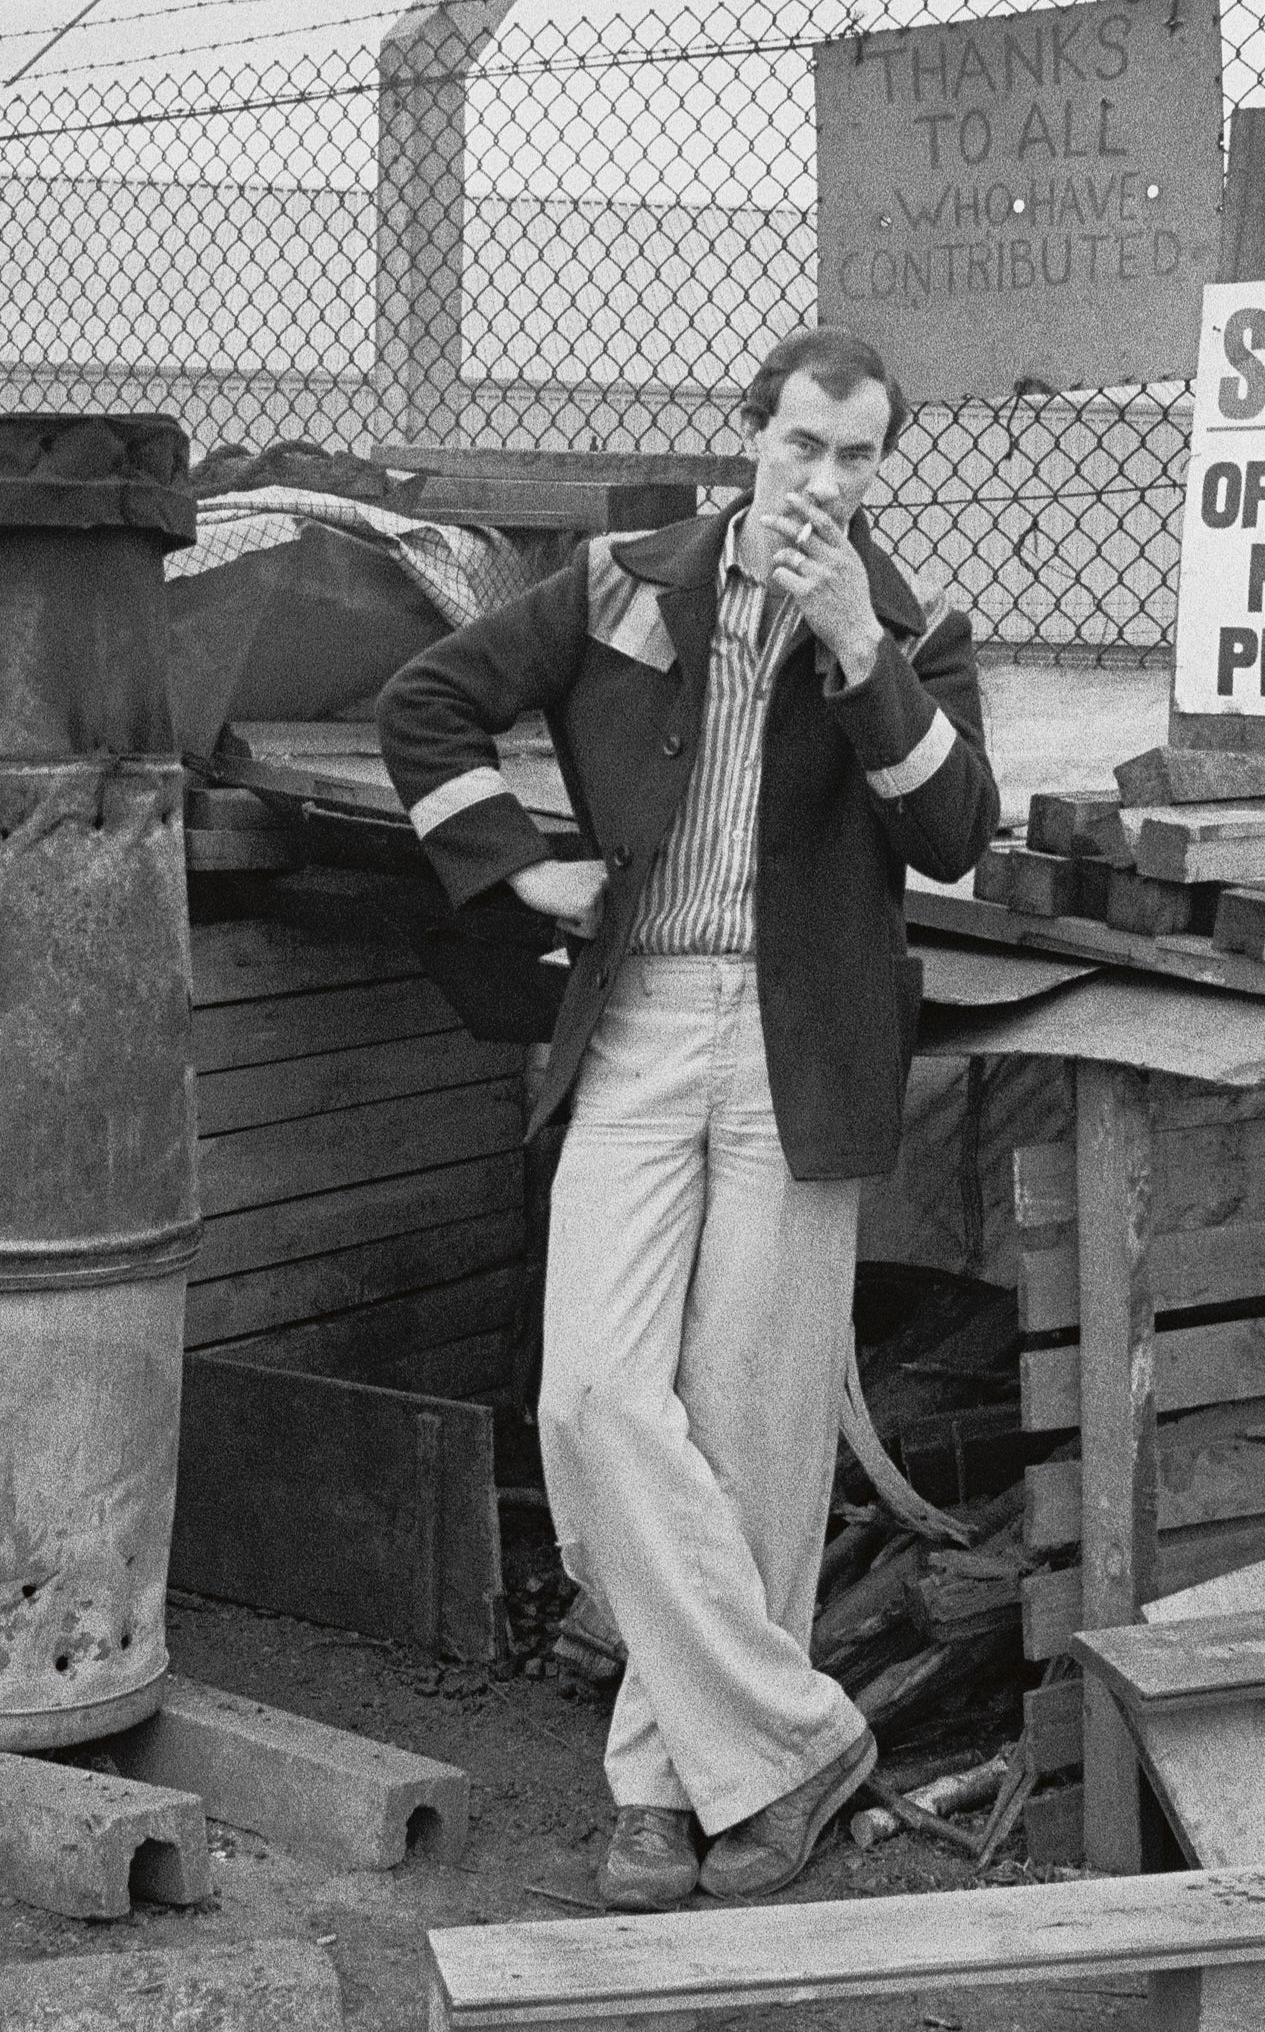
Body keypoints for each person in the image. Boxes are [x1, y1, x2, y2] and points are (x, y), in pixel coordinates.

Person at [379, 327, 995, 1907]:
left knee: (757, 1436)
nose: (824, 480)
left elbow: (952, 833)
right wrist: (523, 864)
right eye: (801, 444)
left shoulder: (916, 622)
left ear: (879, 468)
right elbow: (430, 705)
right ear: (749, 436)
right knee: (590, 1395)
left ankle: (670, 1794)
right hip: (643, 1019)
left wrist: (861, 649)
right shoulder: (623, 582)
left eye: (858, 457)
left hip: (805, 1046)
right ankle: (800, 1737)